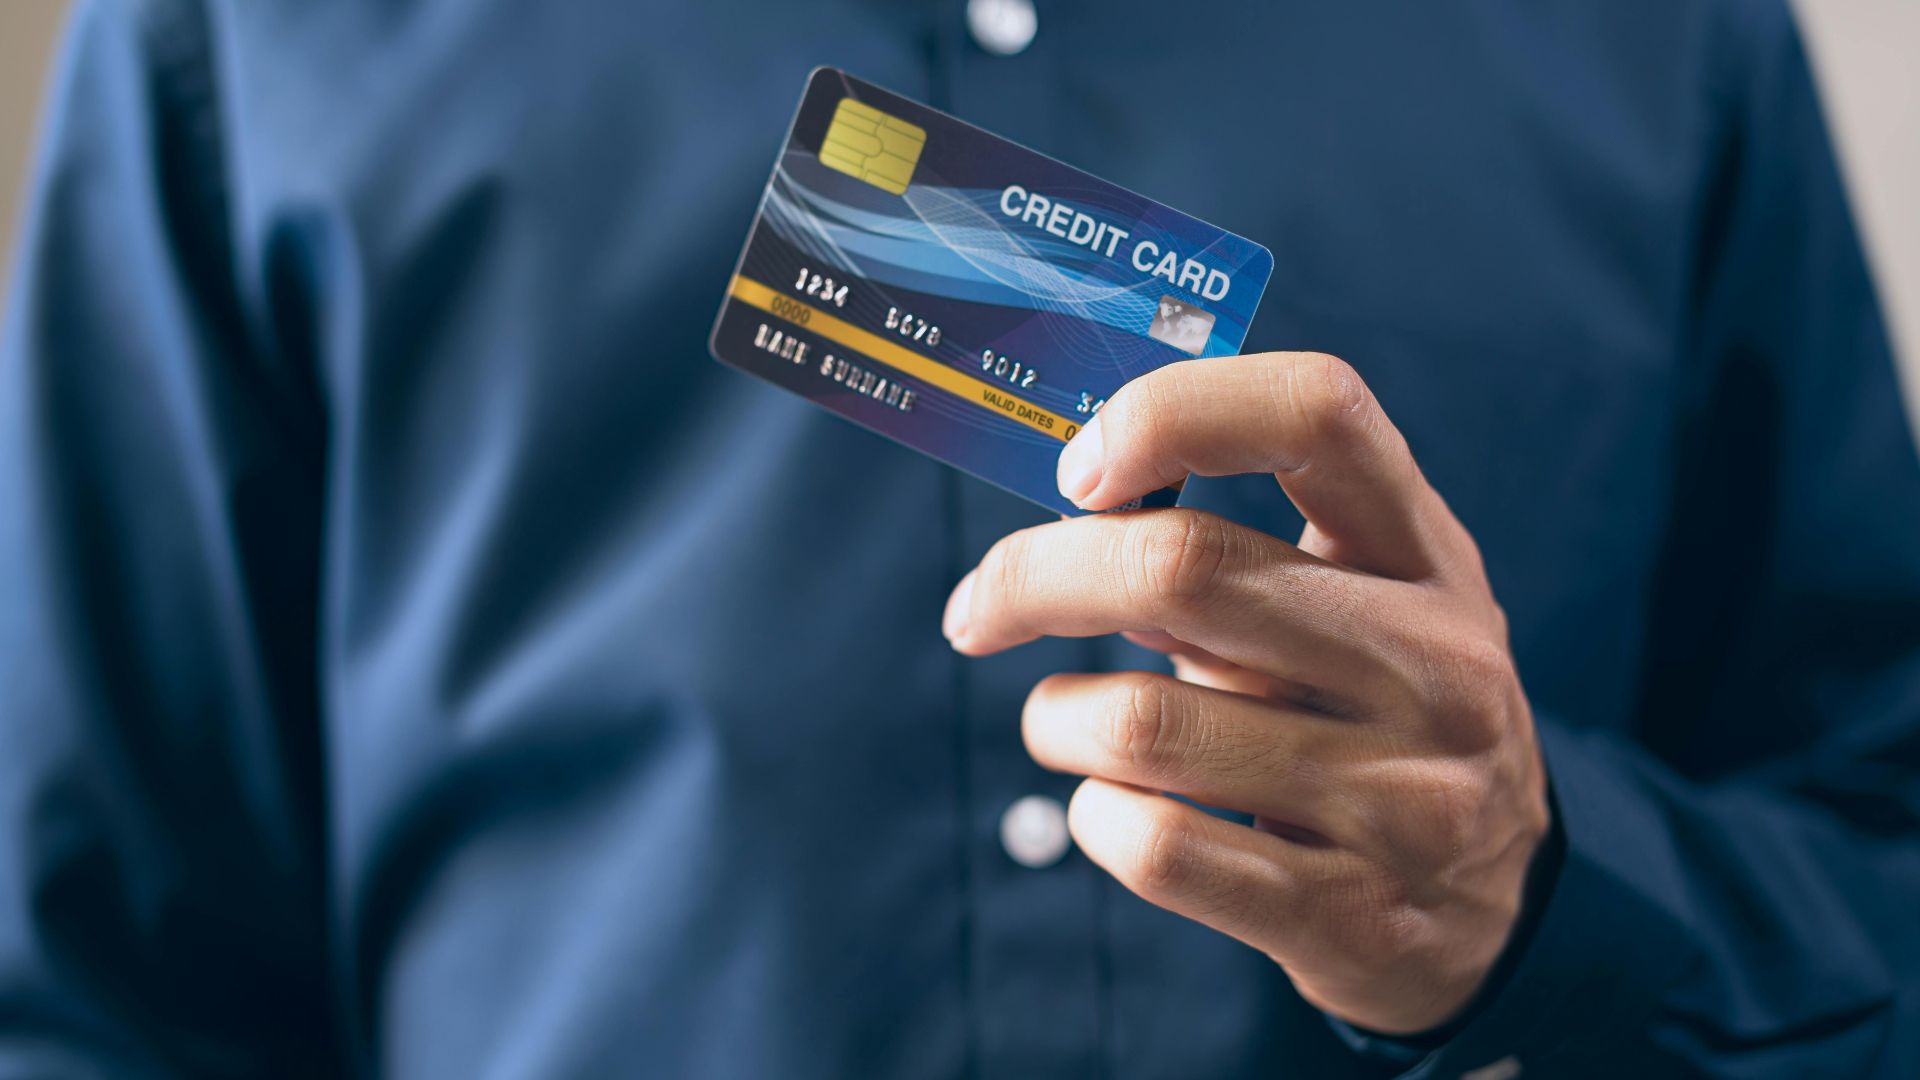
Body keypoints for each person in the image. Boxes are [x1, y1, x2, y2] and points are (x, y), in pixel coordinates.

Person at [3, 1, 1917, 1076]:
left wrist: (1544, 896)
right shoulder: (244, 33)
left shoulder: (1660, 33)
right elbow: (87, 989)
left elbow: (1886, 895)